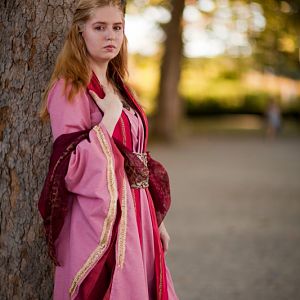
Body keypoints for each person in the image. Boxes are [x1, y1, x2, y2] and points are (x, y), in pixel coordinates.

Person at [38, 0, 179, 299]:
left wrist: (157, 220)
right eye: (99, 27)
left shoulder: (118, 85)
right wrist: (110, 117)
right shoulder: (70, 89)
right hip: (103, 217)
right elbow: (70, 165)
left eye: (117, 28)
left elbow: (136, 155)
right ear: (80, 32)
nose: (110, 36)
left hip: (138, 212)